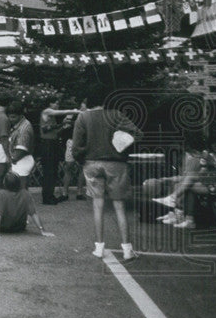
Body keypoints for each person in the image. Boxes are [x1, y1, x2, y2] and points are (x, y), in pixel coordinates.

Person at [72, 93, 141, 260]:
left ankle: (99, 247)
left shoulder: (83, 117)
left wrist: (82, 159)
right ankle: (126, 249)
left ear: (88, 101)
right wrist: (120, 143)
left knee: (98, 205)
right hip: (116, 164)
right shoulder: (116, 114)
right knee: (119, 206)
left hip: (91, 163)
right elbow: (137, 134)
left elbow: (76, 145)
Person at [0, 171, 54, 238]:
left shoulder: (2, 193)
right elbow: (33, 214)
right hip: (18, 227)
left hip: (1, 227)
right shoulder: (26, 194)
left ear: (5, 183)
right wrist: (42, 230)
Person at [38, 99, 81, 204]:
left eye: (58, 103)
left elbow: (55, 133)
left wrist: (63, 126)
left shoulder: (52, 118)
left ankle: (50, 196)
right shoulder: (46, 111)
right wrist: (75, 111)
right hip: (47, 144)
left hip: (52, 144)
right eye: (55, 103)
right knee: (48, 171)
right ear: (49, 103)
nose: (57, 105)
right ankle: (47, 198)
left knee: (53, 171)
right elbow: (61, 113)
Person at [6, 100, 35, 190]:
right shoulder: (19, 125)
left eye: (13, 117)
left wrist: (13, 159)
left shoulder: (24, 129)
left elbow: (22, 148)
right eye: (9, 117)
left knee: (20, 188)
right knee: (19, 188)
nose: (11, 119)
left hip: (21, 160)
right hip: (20, 159)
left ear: (20, 115)